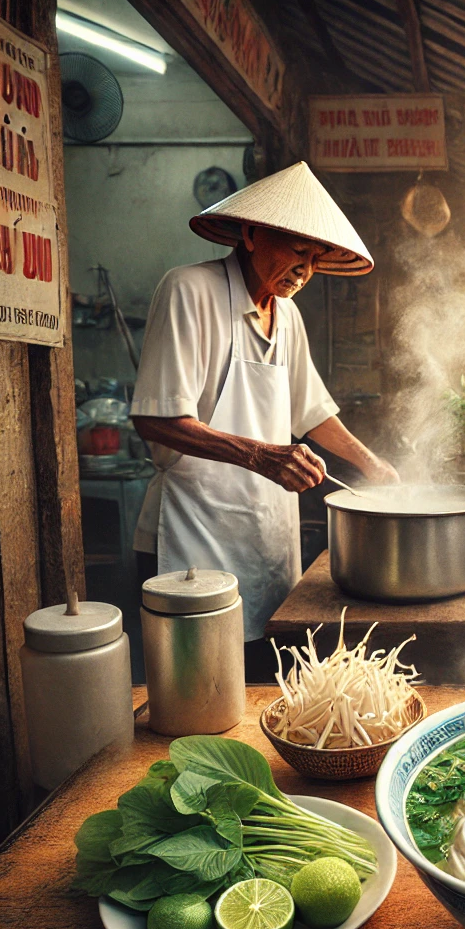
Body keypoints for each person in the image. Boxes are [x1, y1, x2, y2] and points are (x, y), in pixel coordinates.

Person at [131, 161, 398, 667]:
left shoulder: (288, 316)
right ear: (251, 234)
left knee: (269, 693)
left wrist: (372, 465)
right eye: (298, 250)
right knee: (202, 702)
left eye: (317, 258)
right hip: (192, 544)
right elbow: (156, 419)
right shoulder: (189, 290)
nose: (306, 269)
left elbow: (310, 410)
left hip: (268, 542)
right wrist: (262, 455)